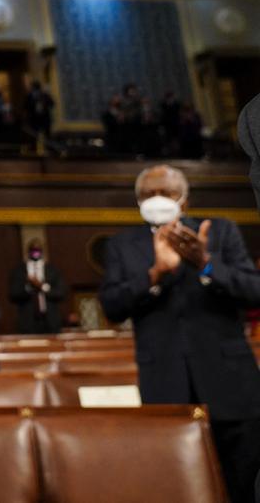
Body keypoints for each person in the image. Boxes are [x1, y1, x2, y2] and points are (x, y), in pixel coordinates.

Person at [99, 165, 260, 503]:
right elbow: (112, 307)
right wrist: (155, 274)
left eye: (167, 192)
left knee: (244, 483)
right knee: (175, 485)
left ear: (184, 201)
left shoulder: (220, 231)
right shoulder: (121, 245)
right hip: (164, 381)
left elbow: (252, 291)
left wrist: (205, 263)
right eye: (147, 194)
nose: (156, 199)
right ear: (137, 201)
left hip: (230, 382)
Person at [9, 238, 65, 334]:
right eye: (33, 250)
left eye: (38, 250)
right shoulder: (19, 271)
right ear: (28, 251)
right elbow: (13, 295)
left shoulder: (52, 270)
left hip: (50, 322)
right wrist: (29, 287)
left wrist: (41, 286)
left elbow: (61, 293)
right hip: (27, 322)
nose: (35, 253)